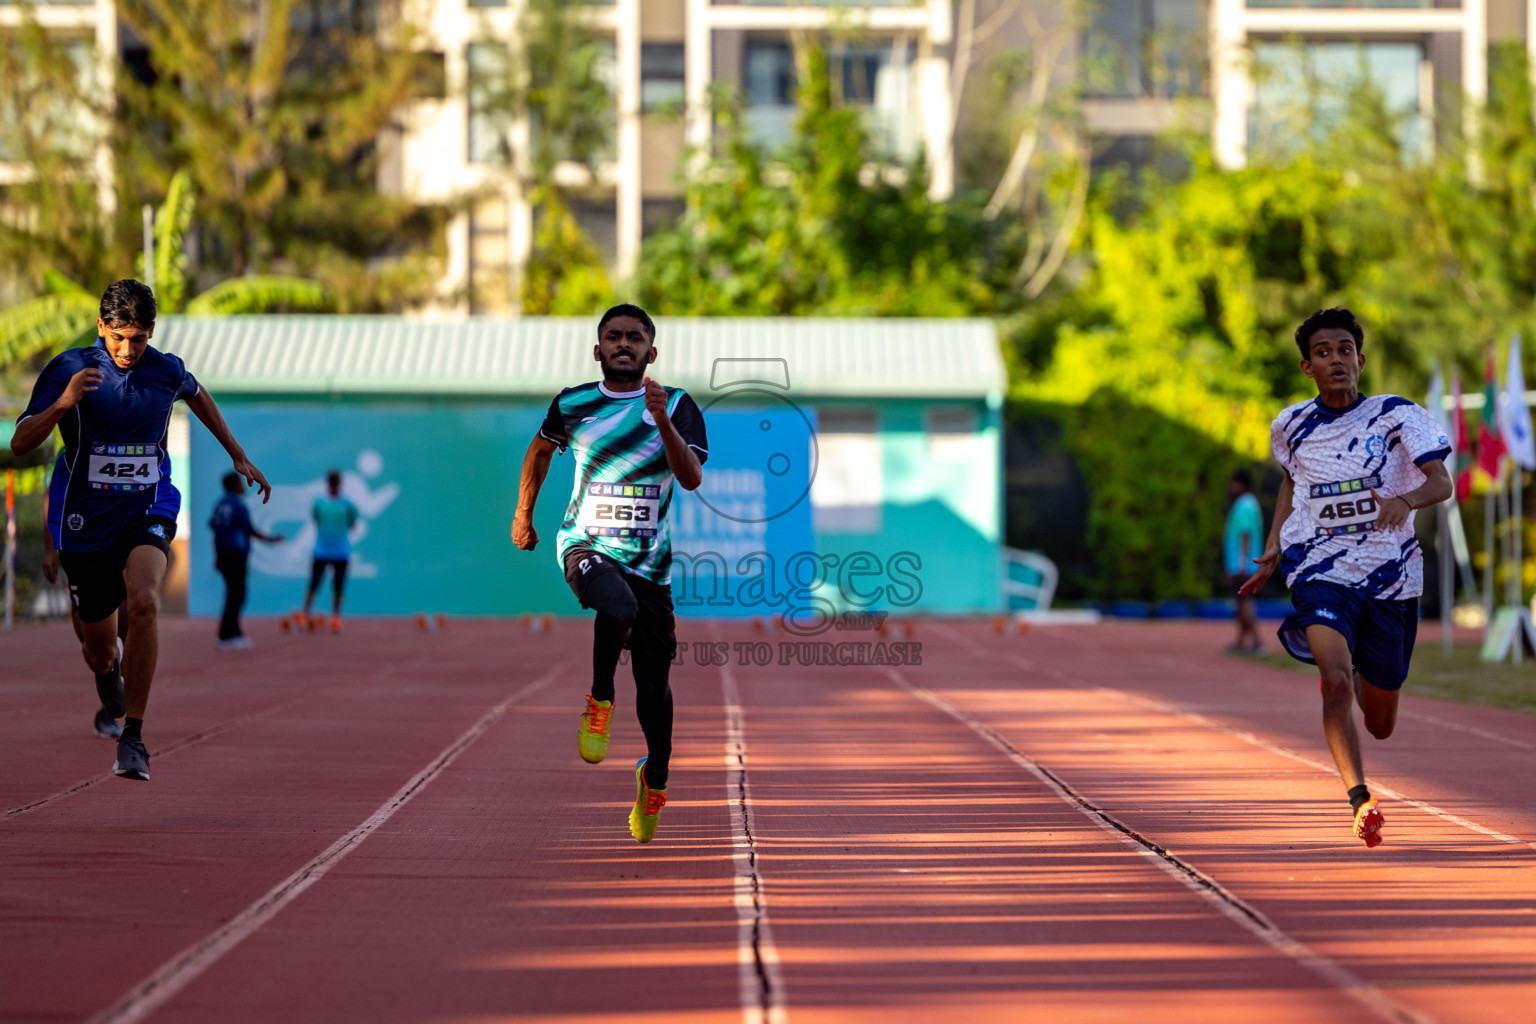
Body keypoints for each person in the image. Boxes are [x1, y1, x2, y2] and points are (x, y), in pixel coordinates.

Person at [10, 279, 271, 781]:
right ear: (101, 327)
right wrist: (64, 404)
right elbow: (22, 442)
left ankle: (134, 737)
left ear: (152, 332)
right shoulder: (70, 368)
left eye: (139, 338)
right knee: (99, 647)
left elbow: (198, 395)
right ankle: (108, 674)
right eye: (118, 338)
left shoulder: (165, 369)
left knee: (146, 600)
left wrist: (237, 453)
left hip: (148, 504)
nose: (128, 350)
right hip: (86, 519)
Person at [1242, 307, 1451, 848]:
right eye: (1322, 352)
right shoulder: (1290, 425)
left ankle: (1364, 662)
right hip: (1317, 566)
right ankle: (1361, 798)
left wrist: (1403, 500)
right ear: (1307, 366)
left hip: (1390, 577)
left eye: (1343, 350)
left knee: (1380, 720)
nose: (1335, 360)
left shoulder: (1398, 416)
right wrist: (1273, 543)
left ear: (1360, 360)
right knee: (1333, 678)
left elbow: (1442, 483)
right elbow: (1293, 483)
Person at [512, 303, 707, 844]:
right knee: (613, 607)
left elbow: (689, 478)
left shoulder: (680, 406)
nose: (625, 344)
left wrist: (662, 418)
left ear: (652, 352)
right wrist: (523, 512)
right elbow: (540, 450)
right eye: (614, 337)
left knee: (655, 687)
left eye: (635, 337)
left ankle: (656, 778)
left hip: (652, 566)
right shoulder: (574, 403)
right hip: (586, 544)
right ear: (598, 350)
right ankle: (600, 699)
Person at [41, 470, 129, 739]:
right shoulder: (72, 456)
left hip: (119, 541)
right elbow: (50, 503)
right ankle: (104, 664)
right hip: (81, 547)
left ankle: (113, 710)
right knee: (95, 648)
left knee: (128, 618)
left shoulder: (130, 447)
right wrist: (49, 549)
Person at [210, 471, 284, 649]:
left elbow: (216, 531)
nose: (244, 486)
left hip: (224, 555)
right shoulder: (237, 506)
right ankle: (227, 636)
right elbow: (250, 530)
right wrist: (271, 539)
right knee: (237, 595)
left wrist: (217, 557)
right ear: (235, 485)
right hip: (235, 555)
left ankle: (233, 633)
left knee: (233, 594)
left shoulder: (220, 505)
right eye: (241, 483)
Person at [298, 469, 357, 632]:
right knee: (314, 583)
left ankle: (336, 618)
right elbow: (316, 520)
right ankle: (304, 615)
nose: (334, 485)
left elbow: (352, 522)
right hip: (321, 551)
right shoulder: (319, 503)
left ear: (340, 483)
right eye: (332, 482)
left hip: (341, 552)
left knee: (338, 586)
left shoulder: (347, 504)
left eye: (336, 482)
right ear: (328, 483)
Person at [1224, 470, 1265, 654]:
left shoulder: (1246, 505)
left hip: (1243, 565)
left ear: (1242, 484)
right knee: (1241, 603)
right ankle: (1241, 641)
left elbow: (1246, 534)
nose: (1231, 487)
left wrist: (1241, 563)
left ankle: (1257, 642)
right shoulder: (1247, 504)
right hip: (1243, 563)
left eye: (1234, 482)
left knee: (1245, 602)